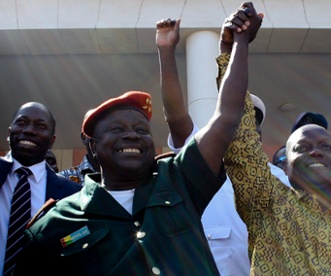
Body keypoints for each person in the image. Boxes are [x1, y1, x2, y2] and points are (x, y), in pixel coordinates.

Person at [13, 3, 254, 274]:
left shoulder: (180, 179)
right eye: (116, 129)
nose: (131, 135)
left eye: (142, 130)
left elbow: (227, 116)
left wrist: (239, 43)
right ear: (92, 146)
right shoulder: (55, 223)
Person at [221, 13, 331, 273]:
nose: (315, 151)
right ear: (284, 167)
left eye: (326, 147)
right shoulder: (268, 205)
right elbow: (239, 132)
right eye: (301, 148)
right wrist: (235, 48)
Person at [155, 14, 256, 275]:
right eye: (238, 118)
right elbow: (176, 117)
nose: (241, 126)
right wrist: (166, 51)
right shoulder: (201, 161)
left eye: (250, 121)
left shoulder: (276, 177)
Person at [0, 102, 81, 275]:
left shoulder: (72, 194)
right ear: (9, 132)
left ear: (52, 141)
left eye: (41, 126)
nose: (29, 130)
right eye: (22, 123)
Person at [58, 110, 100, 185]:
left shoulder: (126, 180)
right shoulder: (63, 180)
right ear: (84, 138)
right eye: (94, 130)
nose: (102, 138)